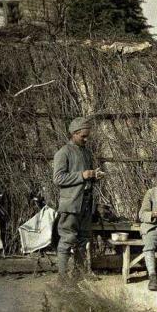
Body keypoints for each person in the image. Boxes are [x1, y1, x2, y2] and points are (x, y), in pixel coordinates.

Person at [53, 116, 105, 279]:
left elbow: (86, 176)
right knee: (67, 240)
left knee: (83, 240)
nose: (86, 138)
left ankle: (80, 273)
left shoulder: (86, 152)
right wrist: (82, 175)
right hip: (71, 205)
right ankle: (63, 277)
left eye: (87, 135)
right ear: (74, 134)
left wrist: (94, 176)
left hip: (86, 204)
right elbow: (58, 178)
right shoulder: (63, 153)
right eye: (83, 135)